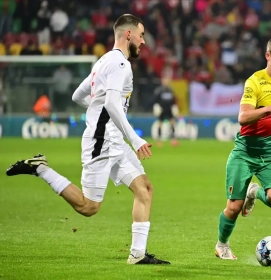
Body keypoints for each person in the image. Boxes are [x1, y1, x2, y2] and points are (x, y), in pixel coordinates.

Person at [6, 14, 170, 265]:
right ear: (128, 35)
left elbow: (77, 96)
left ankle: (137, 255)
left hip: (114, 140)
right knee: (88, 207)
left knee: (145, 189)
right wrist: (135, 138)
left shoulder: (104, 61)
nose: (144, 41)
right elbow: (114, 106)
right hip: (101, 142)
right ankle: (41, 169)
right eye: (142, 34)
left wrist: (98, 109)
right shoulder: (119, 64)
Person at [215, 36, 271, 260]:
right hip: (245, 152)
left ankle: (255, 192)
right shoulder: (255, 82)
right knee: (233, 208)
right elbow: (243, 117)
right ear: (268, 56)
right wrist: (268, 109)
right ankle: (222, 244)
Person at [153, 77, 179, 146]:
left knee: (172, 123)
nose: (166, 82)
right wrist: (156, 107)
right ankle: (159, 140)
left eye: (167, 80)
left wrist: (174, 106)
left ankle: (173, 139)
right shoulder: (159, 90)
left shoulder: (170, 90)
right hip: (162, 109)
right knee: (160, 124)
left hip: (169, 109)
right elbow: (156, 100)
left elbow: (173, 100)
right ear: (162, 81)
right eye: (164, 80)